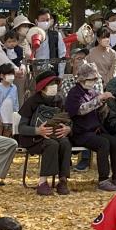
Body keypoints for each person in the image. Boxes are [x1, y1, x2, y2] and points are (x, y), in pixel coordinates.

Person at [67, 64, 116, 191]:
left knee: (115, 142)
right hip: (80, 132)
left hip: (95, 130)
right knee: (103, 143)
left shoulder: (93, 92)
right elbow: (80, 110)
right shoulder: (74, 93)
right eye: (91, 79)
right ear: (82, 79)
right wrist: (99, 99)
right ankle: (103, 180)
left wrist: (104, 105)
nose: (93, 82)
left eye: (95, 79)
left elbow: (101, 115)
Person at [19, 68, 74, 196]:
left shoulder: (60, 100)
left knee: (65, 143)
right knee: (52, 144)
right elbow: (21, 127)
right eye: (51, 84)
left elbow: (69, 120)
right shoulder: (32, 102)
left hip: (56, 135)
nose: (54, 87)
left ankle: (63, 180)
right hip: (34, 139)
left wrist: (68, 129)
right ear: (42, 87)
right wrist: (37, 130)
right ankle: (43, 182)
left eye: (55, 83)